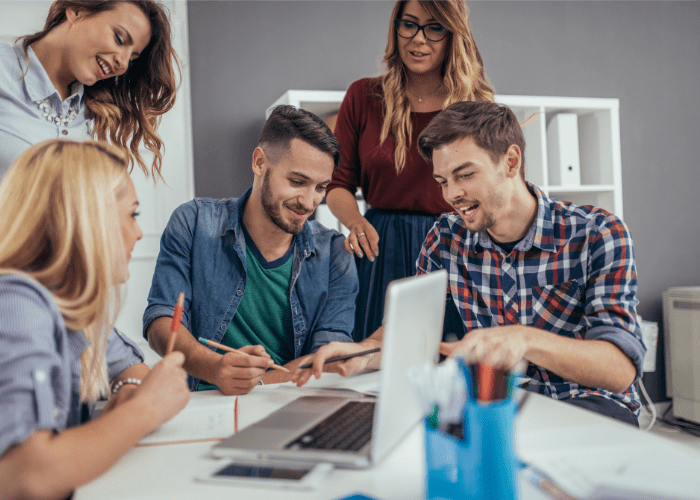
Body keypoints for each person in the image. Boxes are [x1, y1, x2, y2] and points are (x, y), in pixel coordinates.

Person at [294, 101, 646, 426]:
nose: (452, 195)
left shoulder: (597, 232)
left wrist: (524, 340)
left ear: (511, 161)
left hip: (588, 405)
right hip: (494, 405)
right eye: (443, 181)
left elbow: (619, 369)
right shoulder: (445, 238)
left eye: (465, 175)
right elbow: (408, 334)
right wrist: (361, 353)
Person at [0, 139, 190, 500]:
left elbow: (126, 368)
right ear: (89, 218)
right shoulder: (17, 305)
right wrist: (146, 409)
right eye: (132, 215)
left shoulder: (69, 306)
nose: (137, 232)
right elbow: (24, 475)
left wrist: (127, 395)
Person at [144, 105, 359, 395]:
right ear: (259, 162)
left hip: (289, 400)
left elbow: (326, 359)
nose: (309, 202)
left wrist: (258, 383)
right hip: (202, 401)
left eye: (321, 187)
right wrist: (214, 368)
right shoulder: (193, 223)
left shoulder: (336, 254)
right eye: (297, 182)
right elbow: (162, 320)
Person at [326, 0, 493, 341]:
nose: (418, 39)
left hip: (455, 248)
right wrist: (356, 222)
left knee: (450, 363)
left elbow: (489, 190)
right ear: (395, 27)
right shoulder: (362, 95)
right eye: (409, 24)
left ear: (452, 35)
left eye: (434, 28)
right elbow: (338, 184)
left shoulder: (476, 104)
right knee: (376, 362)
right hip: (381, 248)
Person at [0, 0, 178, 179]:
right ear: (77, 11)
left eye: (132, 58)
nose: (123, 63)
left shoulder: (90, 113)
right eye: (119, 39)